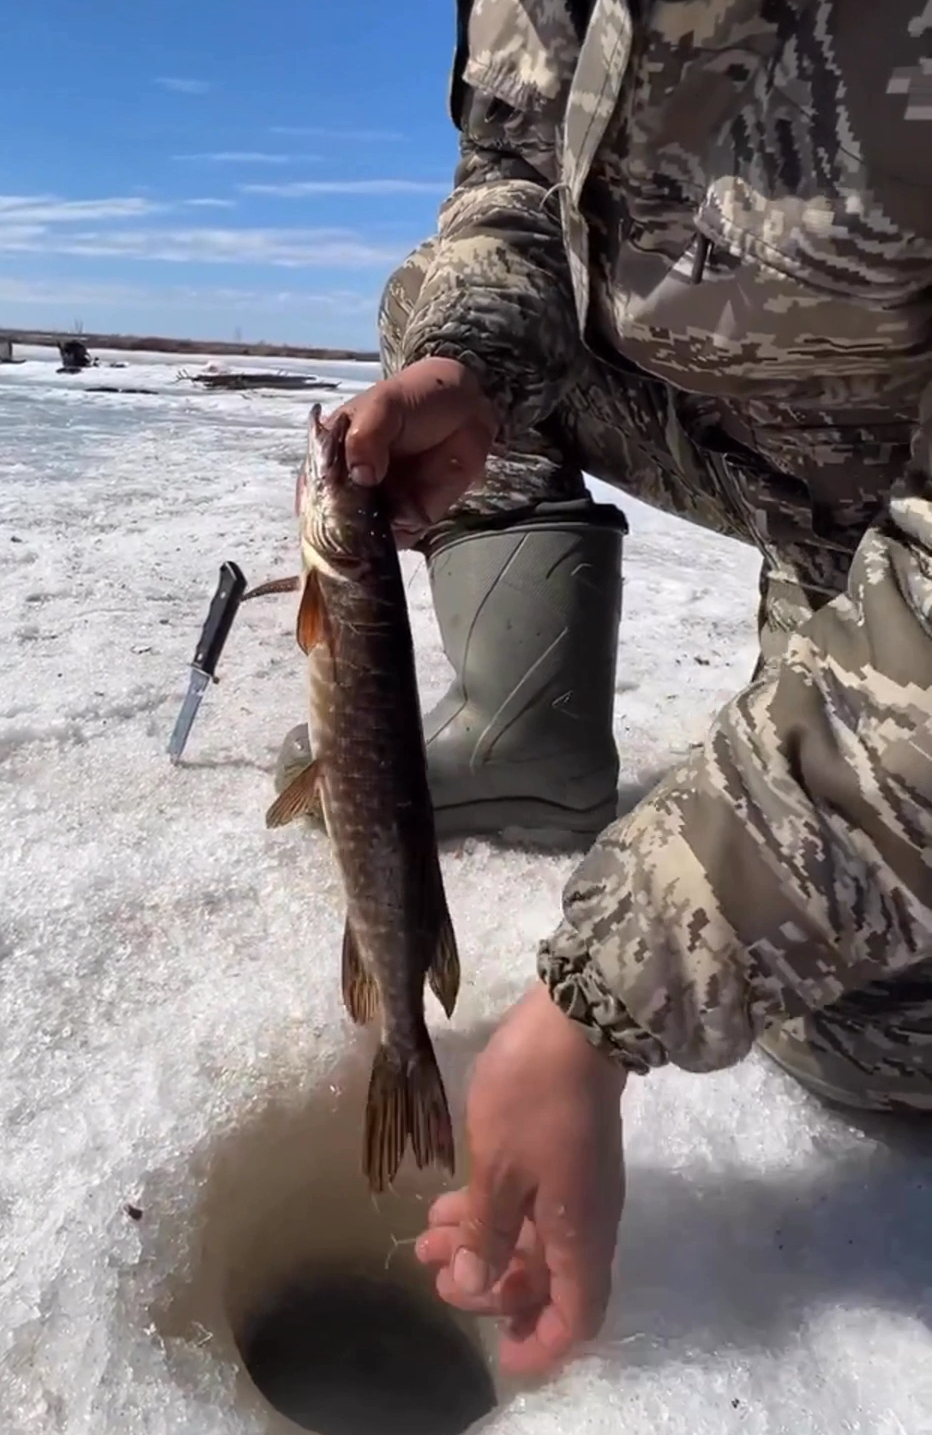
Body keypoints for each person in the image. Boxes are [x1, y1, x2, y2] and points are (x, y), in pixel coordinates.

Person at [273, 0, 932, 1378]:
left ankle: (843, 609)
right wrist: (466, 363)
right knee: (436, 322)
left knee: (868, 1048)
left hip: (899, 473)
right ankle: (536, 729)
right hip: (795, 450)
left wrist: (605, 1007)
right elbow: (513, 178)